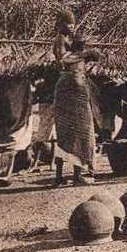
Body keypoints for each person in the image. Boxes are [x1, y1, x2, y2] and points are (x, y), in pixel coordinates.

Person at [53, 37, 103, 185]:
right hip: (76, 100)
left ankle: (62, 176)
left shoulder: (68, 63)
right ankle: (76, 175)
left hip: (66, 99)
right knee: (82, 137)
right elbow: (95, 55)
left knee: (65, 138)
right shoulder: (76, 60)